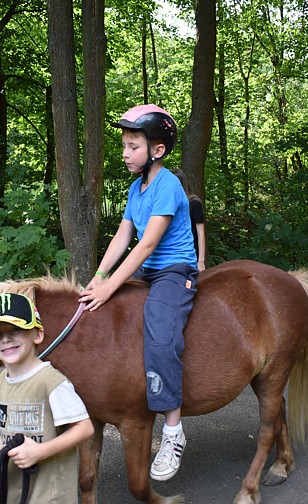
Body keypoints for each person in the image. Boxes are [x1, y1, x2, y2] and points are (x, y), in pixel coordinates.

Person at [79, 104, 198, 481]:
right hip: (147, 269)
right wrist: (99, 276)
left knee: (161, 337)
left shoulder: (169, 185)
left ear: (157, 150)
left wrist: (113, 284)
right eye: (124, 146)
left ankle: (173, 430)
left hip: (174, 269)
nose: (125, 153)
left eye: (133, 146)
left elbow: (146, 245)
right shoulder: (136, 187)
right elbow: (123, 235)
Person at [0, 293, 94, 504]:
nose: (6, 340)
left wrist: (40, 451)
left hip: (46, 492)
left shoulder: (51, 382)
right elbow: (9, 432)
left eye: (16, 330)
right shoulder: (1, 382)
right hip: (17, 488)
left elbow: (85, 428)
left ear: (38, 334)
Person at [172, 167, 207, 272]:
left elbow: (201, 233)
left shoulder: (194, 202)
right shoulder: (170, 204)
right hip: (175, 252)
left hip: (191, 252)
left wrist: (201, 261)